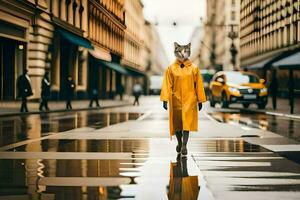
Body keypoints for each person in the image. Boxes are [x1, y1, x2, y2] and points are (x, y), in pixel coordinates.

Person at [160, 42, 206, 156]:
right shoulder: (171, 68)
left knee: (187, 124)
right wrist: (165, 99)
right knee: (177, 124)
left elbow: (198, 85)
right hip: (176, 100)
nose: (182, 54)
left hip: (190, 101)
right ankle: (179, 142)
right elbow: (167, 84)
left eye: (185, 51)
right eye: (180, 51)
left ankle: (184, 145)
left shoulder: (194, 68)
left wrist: (200, 100)